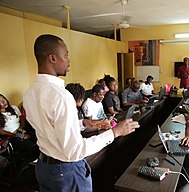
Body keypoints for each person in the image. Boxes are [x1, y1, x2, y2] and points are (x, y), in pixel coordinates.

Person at [23, 34, 140, 191]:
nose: (68, 60)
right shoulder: (61, 96)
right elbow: (75, 151)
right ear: (52, 58)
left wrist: (83, 123)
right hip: (65, 172)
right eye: (66, 55)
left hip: (45, 168)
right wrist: (114, 132)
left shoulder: (30, 92)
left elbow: (48, 125)